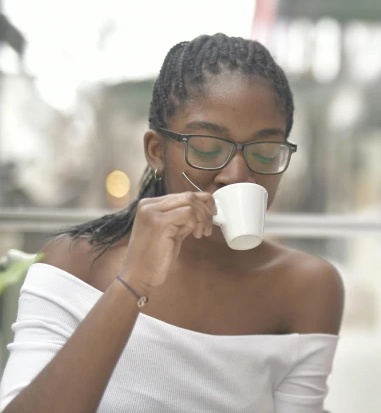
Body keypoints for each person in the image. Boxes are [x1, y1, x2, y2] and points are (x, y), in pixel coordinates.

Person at [0, 34, 345, 412]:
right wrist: (132, 284)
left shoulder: (306, 287)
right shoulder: (73, 267)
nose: (237, 174)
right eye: (207, 148)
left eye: (264, 152)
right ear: (156, 152)